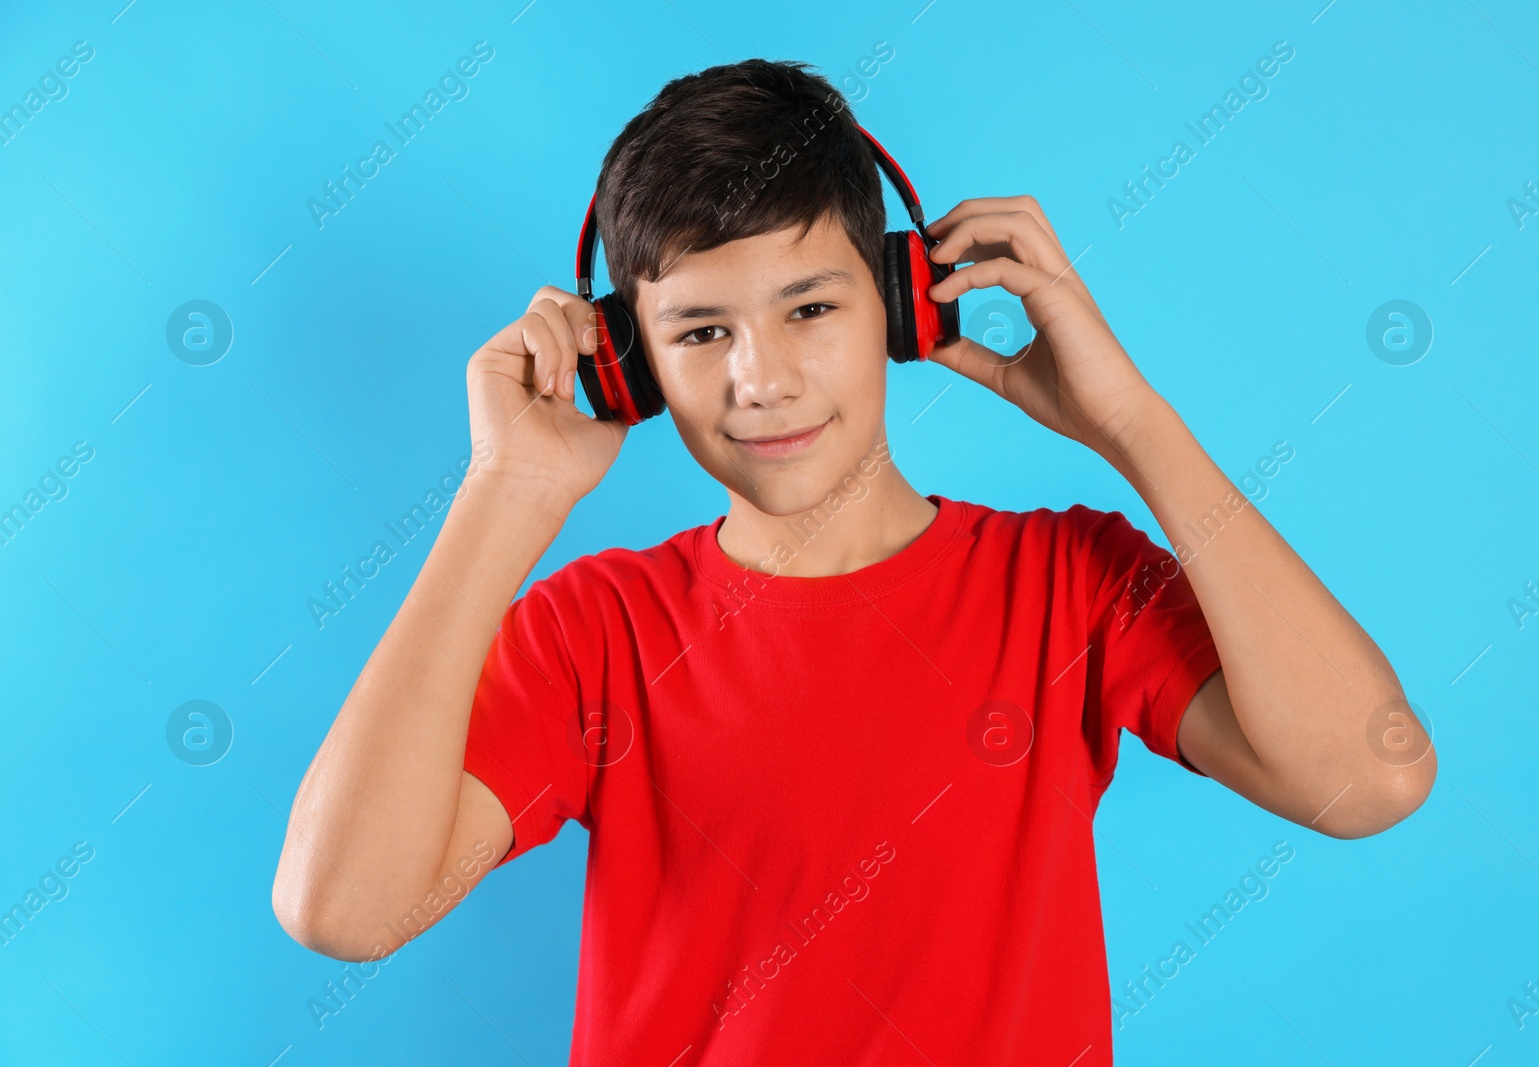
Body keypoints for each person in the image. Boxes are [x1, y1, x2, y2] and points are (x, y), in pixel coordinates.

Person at [271, 57, 1435, 1064]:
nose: (759, 378)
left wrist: (1135, 425)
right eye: (698, 331)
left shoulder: (1065, 581)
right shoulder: (597, 629)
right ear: (623, 361)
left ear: (898, 303)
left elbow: (1368, 776)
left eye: (810, 308)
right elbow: (341, 907)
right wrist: (500, 499)